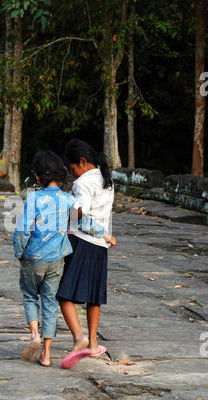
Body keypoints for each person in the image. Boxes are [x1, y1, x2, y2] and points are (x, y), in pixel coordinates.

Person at [13, 151, 111, 367]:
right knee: (49, 302)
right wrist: (105, 235)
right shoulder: (68, 199)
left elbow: (22, 231)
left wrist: (19, 252)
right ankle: (46, 354)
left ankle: (34, 336)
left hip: (33, 258)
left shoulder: (33, 198)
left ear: (38, 177)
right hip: (57, 260)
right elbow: (83, 223)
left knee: (30, 296)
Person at [57, 139, 116, 369]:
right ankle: (92, 343)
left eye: (72, 168)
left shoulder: (82, 183)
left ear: (82, 162)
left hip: (82, 241)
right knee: (93, 295)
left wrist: (66, 220)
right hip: (100, 245)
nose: (73, 173)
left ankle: (78, 338)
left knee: (65, 295)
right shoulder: (107, 179)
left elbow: (79, 210)